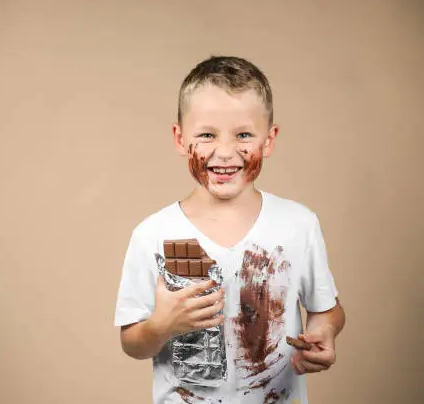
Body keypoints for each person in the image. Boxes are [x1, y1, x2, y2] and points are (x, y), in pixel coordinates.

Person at [113, 56, 346, 404]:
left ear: (269, 140)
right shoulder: (152, 234)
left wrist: (323, 331)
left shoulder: (299, 225)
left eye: (244, 135)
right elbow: (132, 342)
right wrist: (162, 326)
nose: (224, 152)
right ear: (180, 139)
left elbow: (327, 308)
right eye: (206, 134)